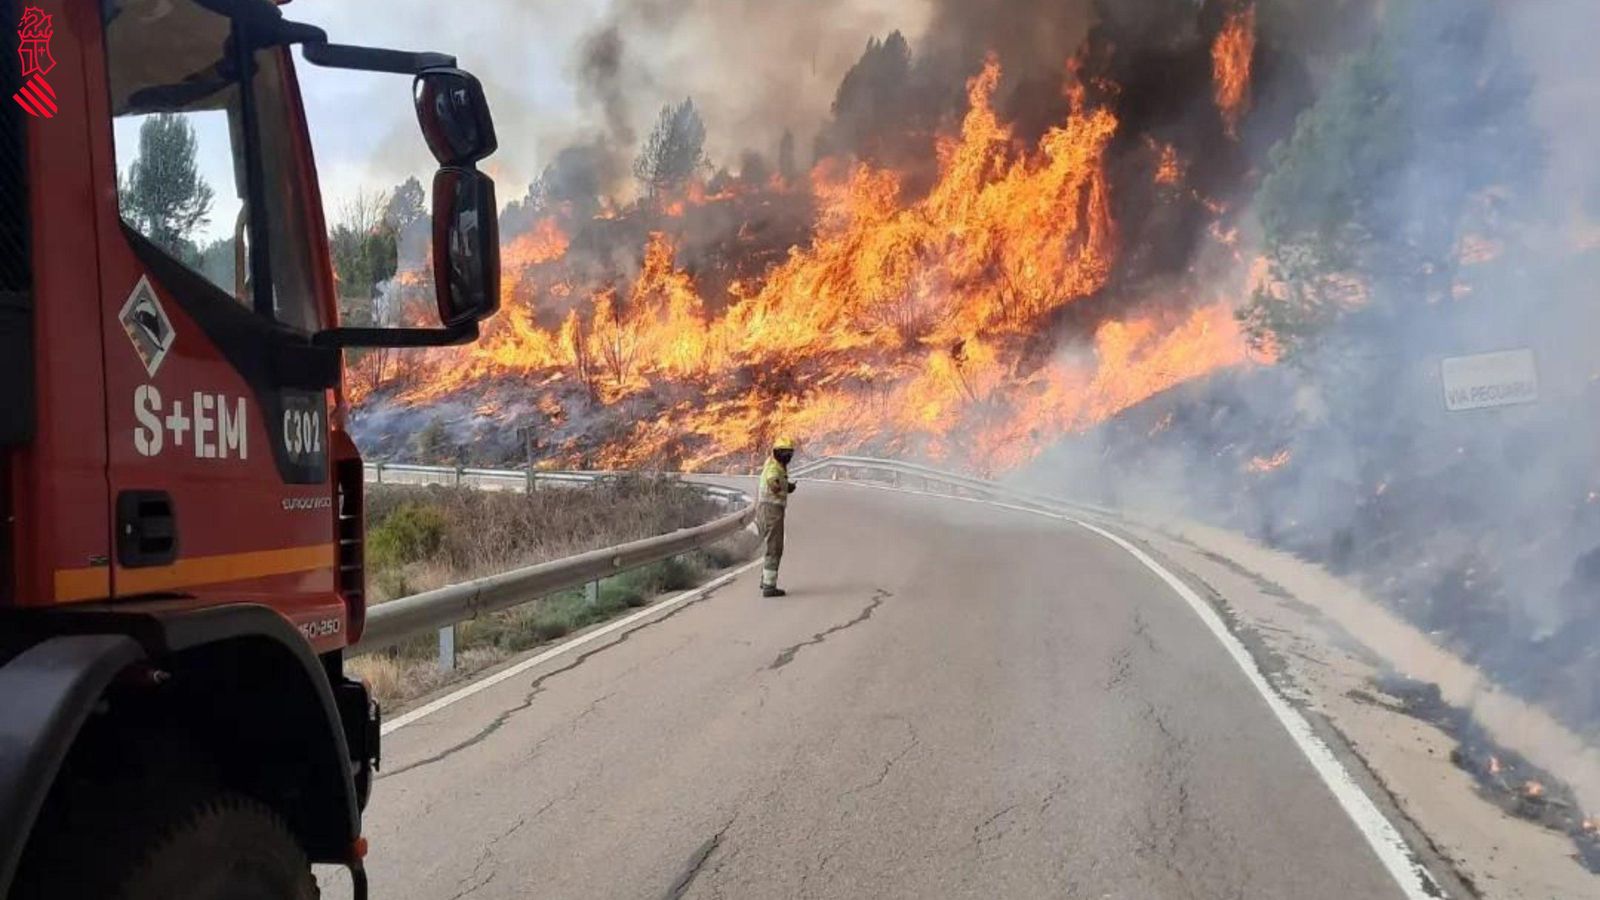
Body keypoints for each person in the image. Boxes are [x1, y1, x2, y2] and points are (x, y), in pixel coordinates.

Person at [757, 437, 798, 597]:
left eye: (789, 452)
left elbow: (779, 482)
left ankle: (765, 580)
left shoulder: (777, 466)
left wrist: (788, 486)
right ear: (776, 453)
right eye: (784, 452)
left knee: (772, 546)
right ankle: (769, 586)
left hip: (772, 509)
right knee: (775, 548)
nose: (787, 455)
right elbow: (773, 483)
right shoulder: (774, 467)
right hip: (771, 510)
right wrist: (780, 486)